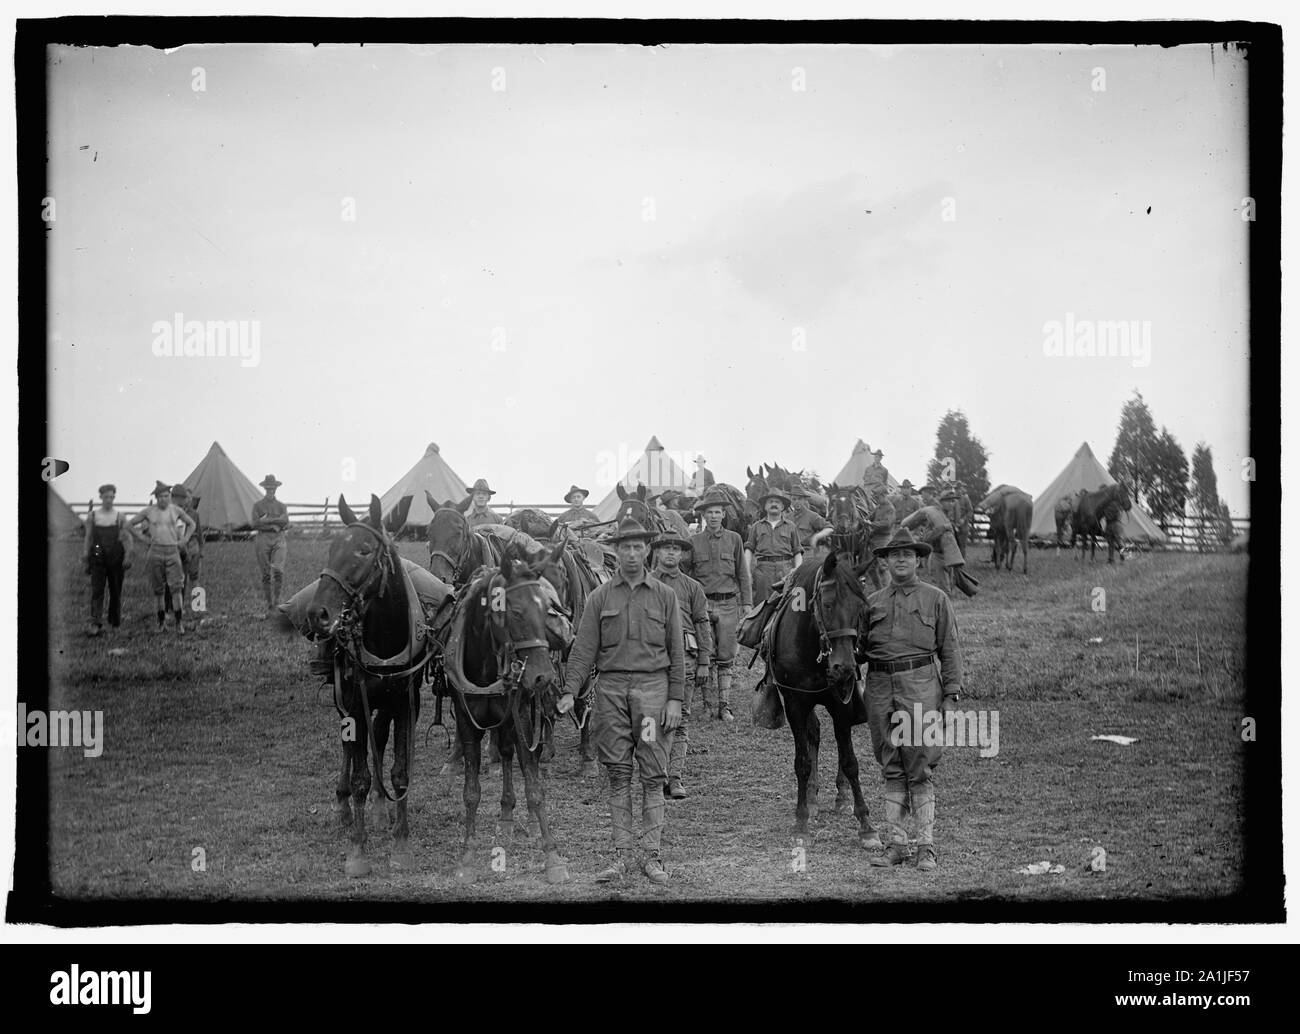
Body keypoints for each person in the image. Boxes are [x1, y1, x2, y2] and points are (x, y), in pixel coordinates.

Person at [556, 517, 684, 886]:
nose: (631, 553)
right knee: (617, 774)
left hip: (650, 696)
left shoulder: (665, 595)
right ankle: (622, 856)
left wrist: (674, 699)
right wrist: (569, 690)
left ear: (647, 550)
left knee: (651, 773)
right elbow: (583, 650)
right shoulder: (600, 597)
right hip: (611, 694)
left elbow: (677, 653)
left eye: (637, 546)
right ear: (615, 550)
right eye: (624, 546)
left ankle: (652, 856)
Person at [863, 528, 963, 871]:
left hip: (920, 683)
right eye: (895, 555)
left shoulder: (936, 598)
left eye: (908, 554)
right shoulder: (872, 603)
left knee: (919, 765)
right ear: (886, 562)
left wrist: (951, 696)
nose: (901, 559)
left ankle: (926, 847)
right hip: (878, 686)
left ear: (918, 560)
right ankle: (897, 844)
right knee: (890, 764)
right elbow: (854, 650)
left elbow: (950, 650)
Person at [650, 532, 712, 800]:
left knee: (680, 719)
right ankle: (655, 774)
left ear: (682, 554)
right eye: (666, 549)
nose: (671, 554)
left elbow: (702, 624)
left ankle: (675, 778)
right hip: (649, 659)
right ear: (657, 552)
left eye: (676, 549)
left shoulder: (692, 587)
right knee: (649, 718)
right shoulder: (643, 583)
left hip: (684, 658)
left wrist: (704, 661)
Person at [685, 487, 752, 722]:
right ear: (703, 515)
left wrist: (747, 603)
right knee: (706, 654)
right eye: (709, 512)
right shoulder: (693, 541)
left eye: (717, 512)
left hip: (728, 604)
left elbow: (743, 574)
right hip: (702, 605)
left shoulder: (734, 539)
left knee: (726, 656)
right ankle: (706, 706)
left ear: (723, 514)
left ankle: (724, 707)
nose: (713, 516)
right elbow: (683, 572)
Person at [128, 481, 196, 635]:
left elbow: (191, 524)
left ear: (170, 496)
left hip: (173, 551)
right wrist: (142, 538)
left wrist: (184, 539)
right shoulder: (149, 511)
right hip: (156, 552)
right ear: (156, 497)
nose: (163, 499)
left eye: (166, 496)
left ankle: (179, 623)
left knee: (176, 588)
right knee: (158, 590)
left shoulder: (176, 510)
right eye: (160, 497)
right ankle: (161, 623)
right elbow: (129, 524)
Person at [901, 498, 977, 597]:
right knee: (943, 589)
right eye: (948, 501)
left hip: (949, 556)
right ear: (942, 503)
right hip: (938, 556)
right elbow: (926, 537)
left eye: (952, 501)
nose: (951, 503)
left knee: (952, 583)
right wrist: (942, 528)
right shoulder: (933, 519)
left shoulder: (947, 517)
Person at [83, 483, 132, 636]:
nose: (109, 500)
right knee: (97, 590)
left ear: (114, 498)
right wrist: (85, 554)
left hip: (116, 557)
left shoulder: (120, 516)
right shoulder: (93, 516)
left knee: (116, 590)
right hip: (98, 557)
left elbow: (127, 538)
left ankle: (115, 623)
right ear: (101, 497)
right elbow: (89, 537)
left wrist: (127, 556)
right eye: (106, 497)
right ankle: (95, 623)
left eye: (111, 497)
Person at [744, 487, 803, 602]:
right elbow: (748, 550)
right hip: (763, 571)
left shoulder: (791, 526)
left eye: (777, 502)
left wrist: (796, 570)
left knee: (786, 606)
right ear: (765, 507)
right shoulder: (756, 526)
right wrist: (747, 573)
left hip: (785, 570)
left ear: (782, 507)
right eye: (770, 502)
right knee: (761, 607)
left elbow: (797, 552)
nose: (774, 504)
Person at [251, 474, 290, 617]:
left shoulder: (281, 506)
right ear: (264, 488)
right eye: (268, 488)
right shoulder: (258, 505)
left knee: (278, 570)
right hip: (263, 539)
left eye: (273, 488)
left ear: (276, 488)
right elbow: (254, 523)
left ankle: (277, 600)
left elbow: (285, 521)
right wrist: (274, 524)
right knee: (266, 573)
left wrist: (267, 520)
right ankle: (270, 604)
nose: (271, 491)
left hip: (279, 538)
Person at [169, 483, 203, 626]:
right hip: (180, 547)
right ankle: (179, 608)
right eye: (185, 497)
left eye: (189, 498)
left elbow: (199, 532)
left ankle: (198, 606)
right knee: (180, 578)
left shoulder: (194, 514)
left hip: (193, 545)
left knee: (195, 578)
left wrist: (201, 549)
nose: (188, 500)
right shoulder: (174, 512)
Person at [789, 484, 830, 557]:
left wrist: (817, 537)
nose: (797, 502)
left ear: (804, 500)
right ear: (790, 500)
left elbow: (829, 528)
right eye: (794, 499)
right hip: (789, 553)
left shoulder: (812, 516)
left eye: (799, 499)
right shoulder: (786, 517)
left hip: (806, 553)